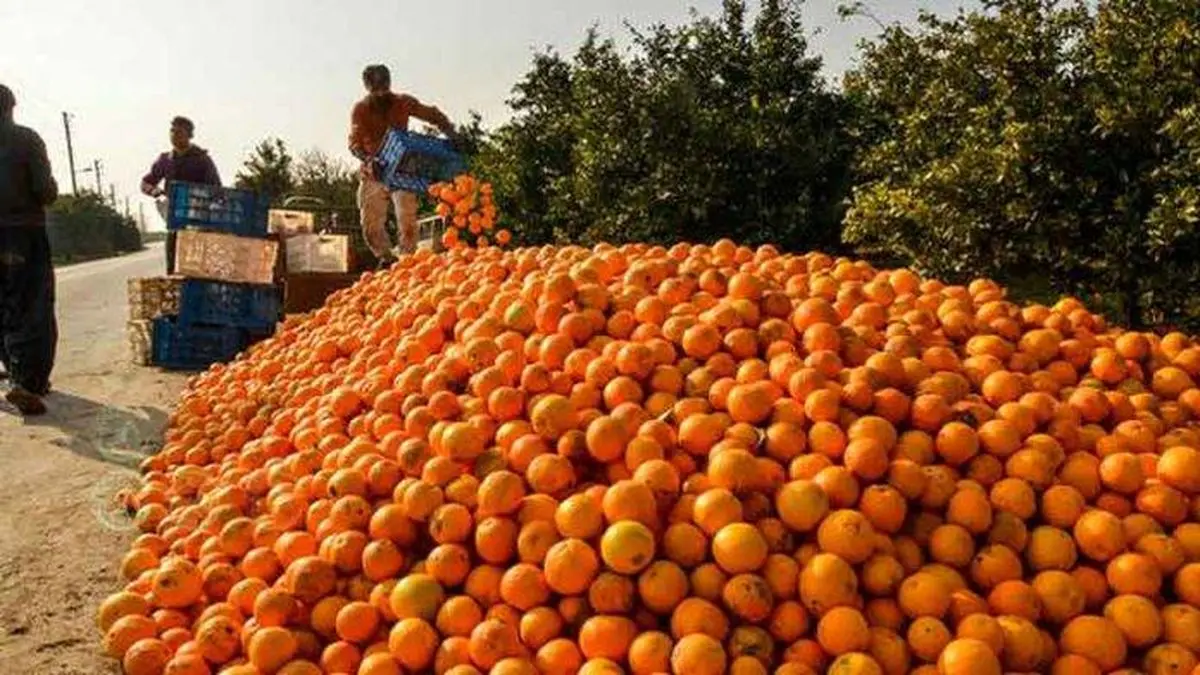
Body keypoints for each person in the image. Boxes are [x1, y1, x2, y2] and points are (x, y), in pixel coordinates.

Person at [349, 64, 456, 265]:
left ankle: (408, 260)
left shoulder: (402, 102)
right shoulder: (361, 109)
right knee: (371, 222)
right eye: (376, 87)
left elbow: (432, 114)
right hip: (374, 169)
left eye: (384, 85)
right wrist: (369, 160)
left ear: (389, 83)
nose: (381, 91)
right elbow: (354, 142)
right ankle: (385, 257)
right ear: (368, 87)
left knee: (407, 220)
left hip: (402, 168)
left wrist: (452, 133)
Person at [0, 84, 58, 416]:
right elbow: (44, 190)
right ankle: (28, 382)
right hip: (22, 233)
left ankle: (15, 373)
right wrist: (49, 190)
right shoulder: (26, 139)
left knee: (3, 305)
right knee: (31, 306)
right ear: (12, 107)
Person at [140, 116, 221, 274]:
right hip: (175, 222)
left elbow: (216, 189)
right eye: (172, 131)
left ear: (189, 135)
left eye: (179, 131)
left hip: (199, 223)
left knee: (199, 268)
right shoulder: (165, 160)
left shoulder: (202, 160)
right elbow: (146, 182)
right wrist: (155, 191)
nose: (174, 135)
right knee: (173, 265)